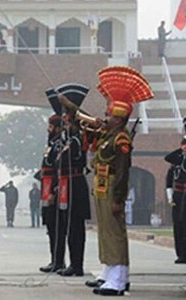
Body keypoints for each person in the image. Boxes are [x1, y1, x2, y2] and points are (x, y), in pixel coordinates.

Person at [81, 65, 154, 296]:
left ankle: (119, 278)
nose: (107, 117)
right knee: (105, 232)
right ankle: (108, 271)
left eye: (111, 115)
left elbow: (123, 171)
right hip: (103, 186)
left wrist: (119, 198)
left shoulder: (121, 139)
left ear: (120, 119)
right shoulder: (109, 136)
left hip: (113, 187)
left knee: (115, 233)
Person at [53, 83, 93, 278]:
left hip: (76, 185)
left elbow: (86, 118)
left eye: (67, 123)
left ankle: (77, 265)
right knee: (68, 227)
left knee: (76, 227)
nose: (65, 127)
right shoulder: (68, 140)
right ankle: (71, 262)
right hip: (67, 185)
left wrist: (69, 104)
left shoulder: (78, 138)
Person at [35, 115, 63, 273]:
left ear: (58, 128)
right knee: (50, 228)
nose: (48, 129)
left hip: (53, 192)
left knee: (56, 228)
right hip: (46, 191)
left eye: (51, 127)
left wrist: (54, 190)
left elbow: (59, 170)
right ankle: (54, 260)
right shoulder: (51, 144)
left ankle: (58, 261)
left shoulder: (59, 145)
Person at [165, 136, 186, 264]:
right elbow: (168, 157)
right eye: (184, 144)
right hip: (178, 195)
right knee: (178, 225)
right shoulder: (178, 160)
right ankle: (180, 253)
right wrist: (182, 150)